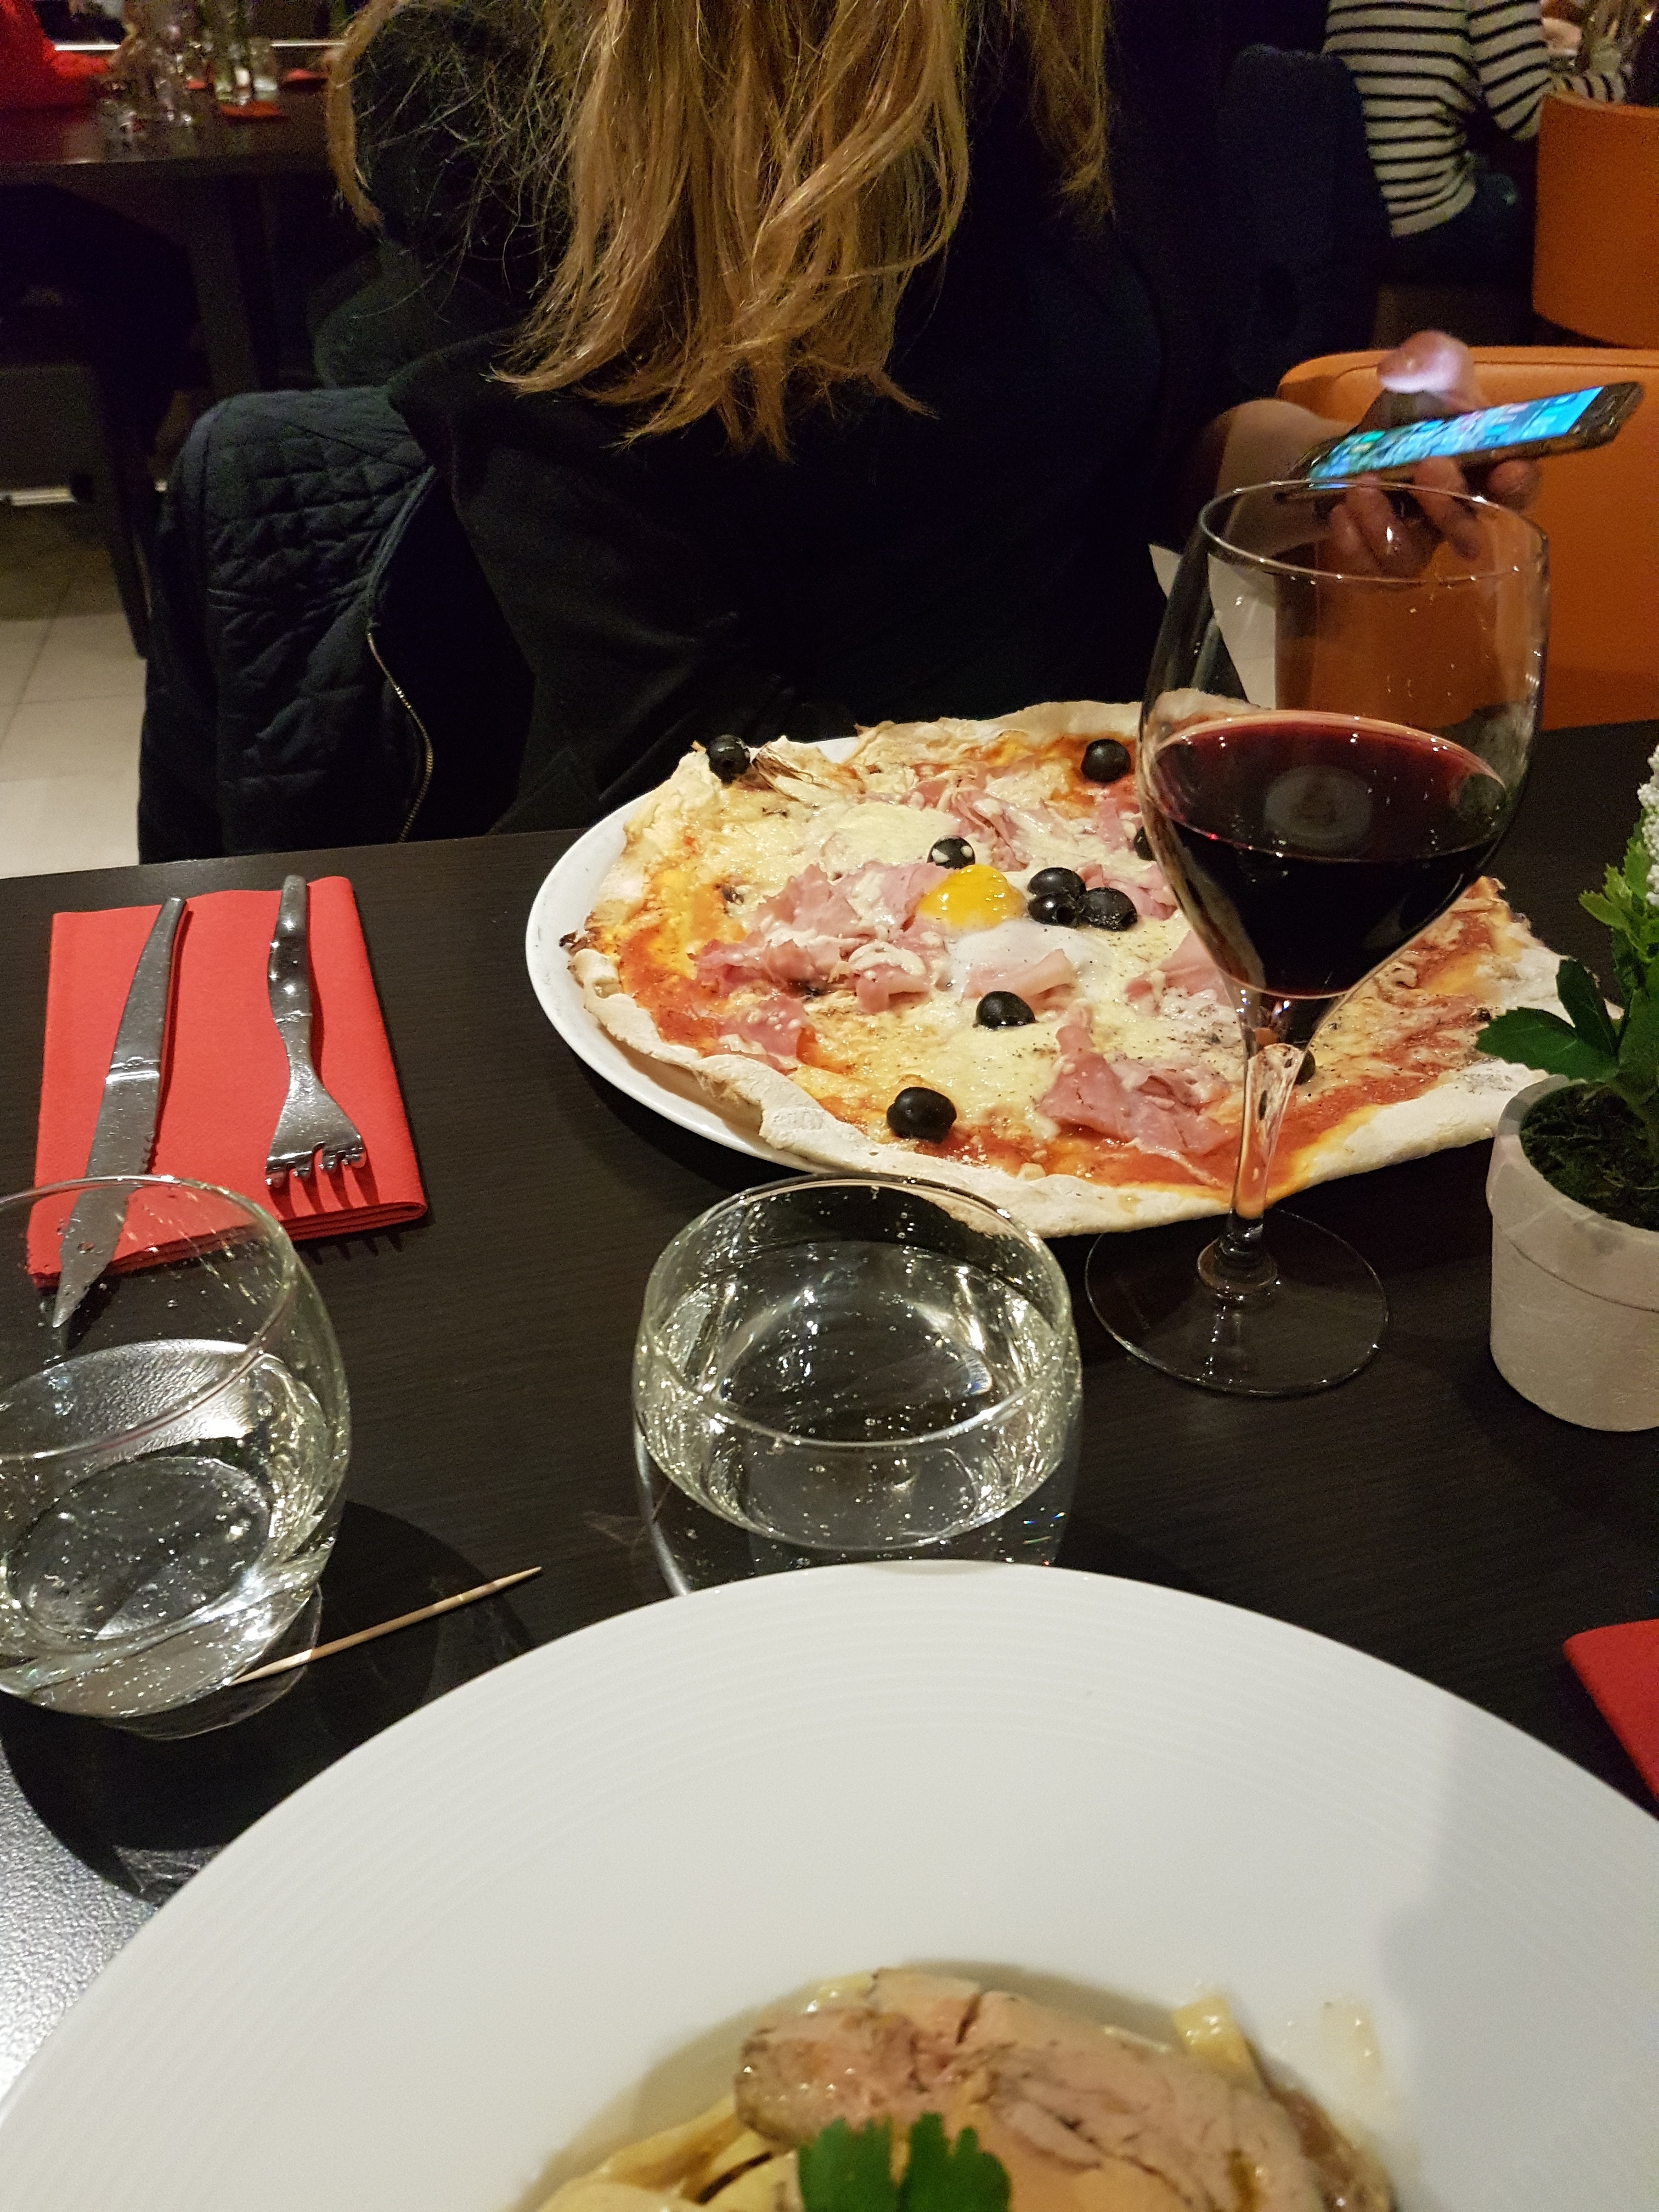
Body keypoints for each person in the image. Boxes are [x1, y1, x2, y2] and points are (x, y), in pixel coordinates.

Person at [309, 0, 1534, 836]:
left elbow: (1158, 441)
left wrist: (1338, 467)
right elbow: (682, 736)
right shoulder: (495, 73)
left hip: (1105, 808)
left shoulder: (1078, 34)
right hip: (754, 850)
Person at [1324, 0, 1628, 286]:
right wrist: (1630, 83)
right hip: (1415, 223)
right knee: (1577, 227)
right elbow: (1528, 112)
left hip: (1338, 214)